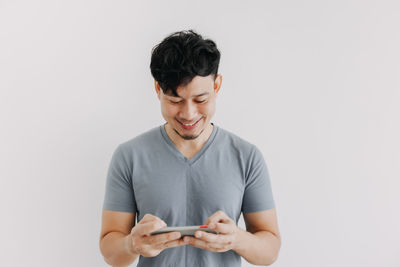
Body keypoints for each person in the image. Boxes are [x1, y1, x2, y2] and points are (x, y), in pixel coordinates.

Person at [99, 30, 281, 267]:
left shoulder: (246, 157)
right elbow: (110, 250)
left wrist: (238, 239)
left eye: (200, 100)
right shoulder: (129, 156)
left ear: (217, 86)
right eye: (175, 101)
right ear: (157, 89)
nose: (188, 114)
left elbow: (270, 250)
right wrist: (131, 244)